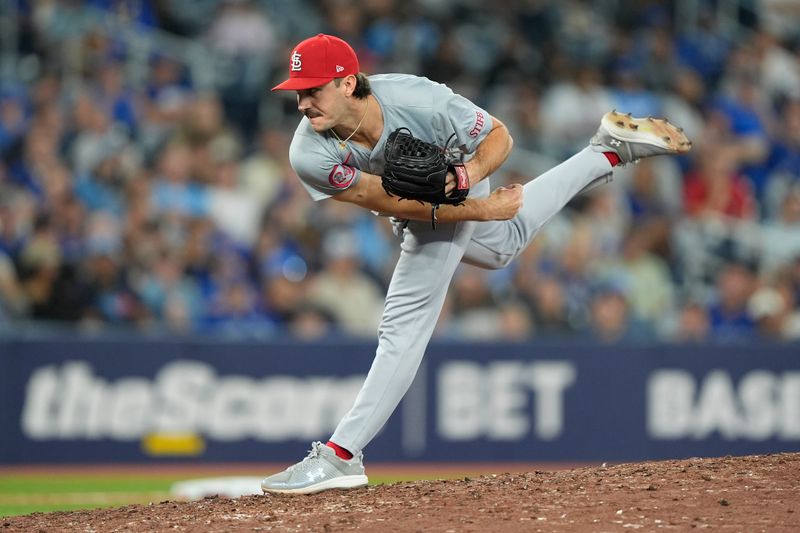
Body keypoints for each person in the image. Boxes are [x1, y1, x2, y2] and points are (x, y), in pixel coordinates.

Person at [261, 34, 691, 494]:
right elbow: (384, 199)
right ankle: (607, 151)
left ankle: (341, 454)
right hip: (422, 205)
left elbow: (500, 137)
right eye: (298, 91)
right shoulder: (308, 152)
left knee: (403, 327)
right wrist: (481, 211)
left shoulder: (415, 97)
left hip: (459, 175)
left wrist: (468, 180)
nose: (302, 102)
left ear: (347, 83)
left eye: (313, 89)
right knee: (502, 244)